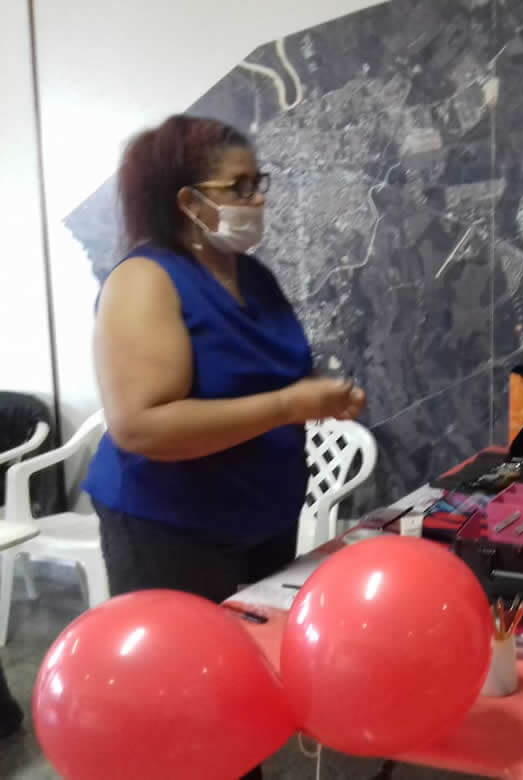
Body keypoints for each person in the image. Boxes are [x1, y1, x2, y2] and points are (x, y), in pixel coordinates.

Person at [84, 115, 365, 780]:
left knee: (238, 691)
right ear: (188, 201)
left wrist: (317, 396)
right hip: (171, 530)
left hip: (260, 521)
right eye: (239, 187)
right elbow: (141, 427)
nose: (257, 199)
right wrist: (290, 405)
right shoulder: (145, 281)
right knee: (182, 704)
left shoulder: (251, 276)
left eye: (258, 182)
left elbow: (265, 373)